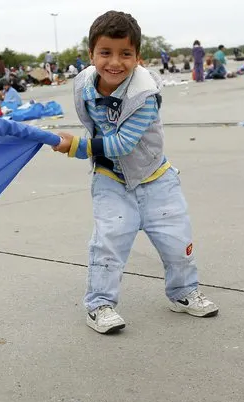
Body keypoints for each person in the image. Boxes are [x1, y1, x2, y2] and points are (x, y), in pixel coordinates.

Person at [52, 10, 218, 334]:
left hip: (156, 177)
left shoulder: (145, 94)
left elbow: (124, 143)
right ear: (91, 55)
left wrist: (77, 147)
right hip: (111, 179)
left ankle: (183, 292)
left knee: (177, 241)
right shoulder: (84, 85)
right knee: (108, 242)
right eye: (106, 53)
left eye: (125, 54)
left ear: (138, 57)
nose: (115, 62)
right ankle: (100, 305)